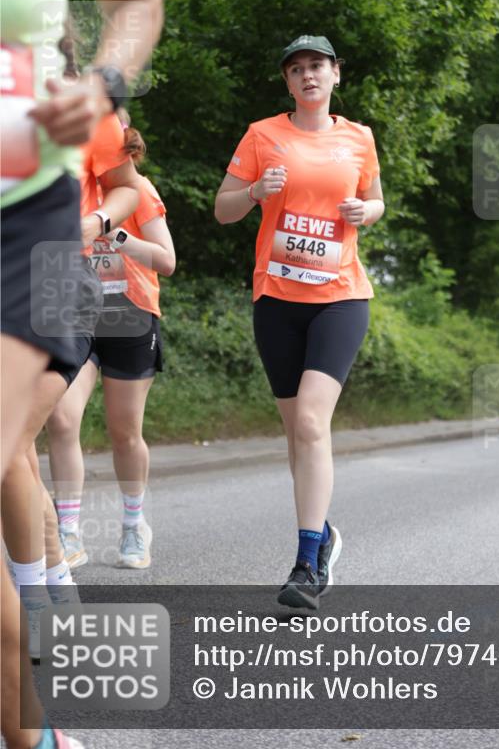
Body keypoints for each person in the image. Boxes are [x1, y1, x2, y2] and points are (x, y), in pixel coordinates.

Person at [1, 0, 162, 749]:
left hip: (45, 238)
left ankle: (63, 562)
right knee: (25, 436)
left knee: (54, 418)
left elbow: (136, 200)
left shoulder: (90, 117)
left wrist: (97, 92)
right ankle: (38, 646)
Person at [214, 34, 384, 610]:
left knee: (311, 421)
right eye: (296, 69)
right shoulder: (263, 135)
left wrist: (368, 211)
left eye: (317, 65)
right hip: (278, 299)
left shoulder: (358, 138)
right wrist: (256, 190)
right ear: (287, 83)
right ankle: (325, 529)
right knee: (297, 433)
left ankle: (307, 561)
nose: (307, 75)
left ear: (336, 73)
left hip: (340, 297)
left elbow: (376, 199)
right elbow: (224, 208)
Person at [47, 114, 176, 570]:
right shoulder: (68, 183)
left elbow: (167, 260)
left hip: (128, 315)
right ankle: (67, 531)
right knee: (61, 419)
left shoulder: (135, 190)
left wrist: (113, 233)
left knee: (124, 433)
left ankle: (133, 524)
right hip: (74, 311)